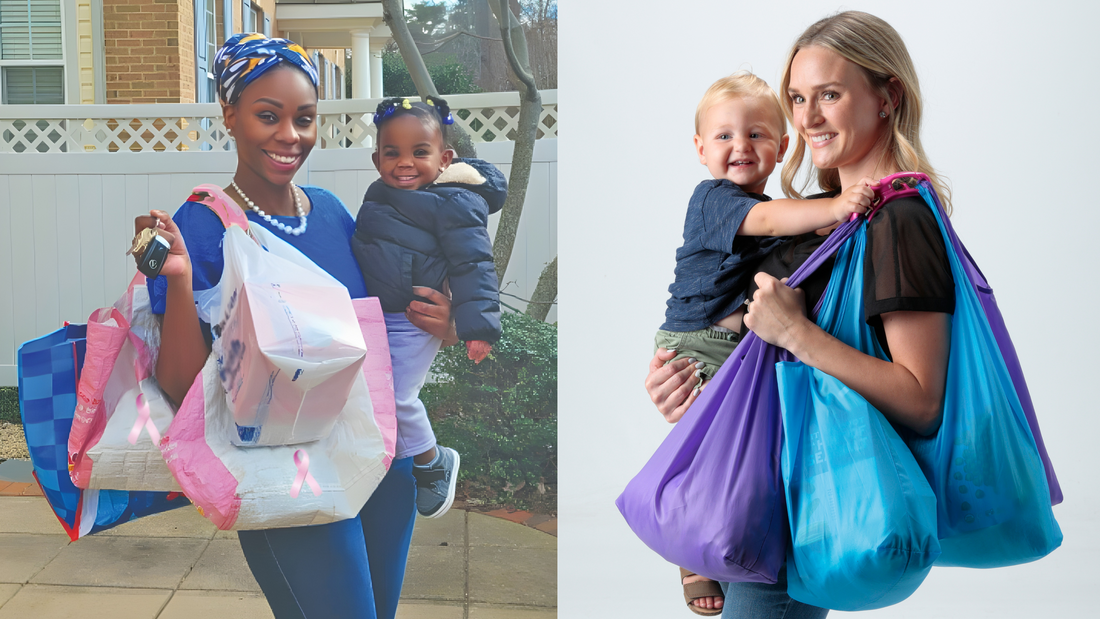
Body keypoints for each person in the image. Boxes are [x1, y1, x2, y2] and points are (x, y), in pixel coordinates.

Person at [645, 11, 956, 618]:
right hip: (759, 489)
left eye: (830, 95)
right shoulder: (816, 219)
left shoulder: (899, 220)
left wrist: (795, 332)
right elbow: (750, 350)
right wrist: (682, 392)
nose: (807, 117)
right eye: (796, 98)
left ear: (887, 96)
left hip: (801, 504)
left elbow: (922, 401)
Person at [134, 33, 453, 619]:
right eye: (267, 116)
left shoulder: (331, 211)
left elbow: (384, 326)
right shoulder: (203, 226)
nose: (290, 136)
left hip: (379, 457)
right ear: (229, 115)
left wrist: (447, 322)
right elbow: (183, 390)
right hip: (284, 471)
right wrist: (179, 282)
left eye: (304, 119)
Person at [661, 71, 875, 617]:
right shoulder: (714, 201)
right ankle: (692, 552)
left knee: (735, 456)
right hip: (701, 342)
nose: (741, 146)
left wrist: (831, 222)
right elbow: (771, 215)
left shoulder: (777, 219)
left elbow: (793, 238)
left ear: (782, 148)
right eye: (725, 136)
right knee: (718, 455)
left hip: (732, 349)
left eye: (757, 135)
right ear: (700, 149)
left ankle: (705, 540)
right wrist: (835, 207)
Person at [352, 96, 505, 518]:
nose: (405, 162)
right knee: (371, 397)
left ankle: (432, 462)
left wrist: (476, 327)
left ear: (444, 158)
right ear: (376, 158)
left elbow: (473, 264)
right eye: (392, 152)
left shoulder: (455, 203)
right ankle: (390, 466)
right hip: (377, 316)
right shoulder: (377, 194)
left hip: (415, 316)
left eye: (420, 152)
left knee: (398, 398)